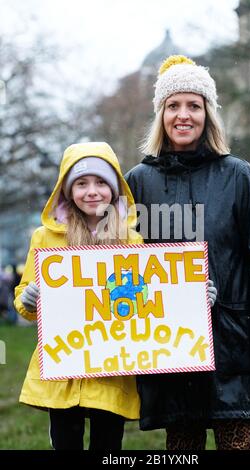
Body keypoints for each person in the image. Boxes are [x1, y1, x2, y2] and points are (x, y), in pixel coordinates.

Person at [125, 55, 250, 450]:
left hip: (234, 341)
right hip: (169, 346)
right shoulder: (138, 181)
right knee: (182, 449)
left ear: (208, 113)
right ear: (160, 114)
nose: (183, 115)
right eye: (173, 105)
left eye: (194, 105)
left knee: (236, 445)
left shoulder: (238, 175)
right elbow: (118, 260)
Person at [14, 141, 143, 451]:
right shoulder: (45, 237)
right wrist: (28, 300)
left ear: (114, 188)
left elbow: (146, 301)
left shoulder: (132, 240)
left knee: (108, 445)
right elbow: (24, 296)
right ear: (67, 190)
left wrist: (191, 297)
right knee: (64, 441)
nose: (92, 191)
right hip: (63, 368)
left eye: (101, 182)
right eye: (82, 183)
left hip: (113, 370)